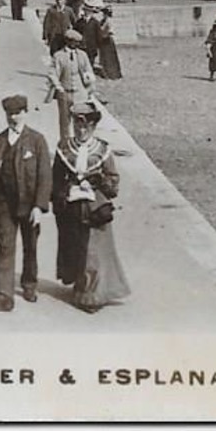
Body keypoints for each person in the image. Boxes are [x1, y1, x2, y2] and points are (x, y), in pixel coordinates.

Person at [51, 100, 131, 314]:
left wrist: (100, 182)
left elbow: (113, 182)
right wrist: (63, 193)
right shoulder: (64, 148)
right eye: (78, 126)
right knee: (77, 249)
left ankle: (92, 296)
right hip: (72, 208)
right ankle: (81, 286)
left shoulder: (103, 150)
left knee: (94, 252)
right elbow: (56, 179)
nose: (81, 130)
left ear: (93, 127)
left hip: (95, 208)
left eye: (86, 126)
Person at [0, 94, 51, 311]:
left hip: (29, 206)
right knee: (5, 247)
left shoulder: (37, 140)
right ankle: (5, 294)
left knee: (30, 247)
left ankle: (29, 284)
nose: (14, 117)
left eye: (18, 113)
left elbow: (45, 175)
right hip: (5, 204)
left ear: (25, 113)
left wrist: (39, 206)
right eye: (10, 113)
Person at [47, 29, 97, 142]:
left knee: (81, 121)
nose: (76, 45)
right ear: (68, 41)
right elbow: (52, 73)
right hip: (65, 94)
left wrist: (90, 87)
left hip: (80, 94)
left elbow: (89, 71)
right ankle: (65, 145)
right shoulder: (59, 56)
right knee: (65, 122)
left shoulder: (82, 55)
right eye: (74, 42)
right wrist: (58, 87)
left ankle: (80, 143)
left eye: (78, 42)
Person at [96, 8, 123, 80]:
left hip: (108, 40)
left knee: (109, 57)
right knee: (104, 57)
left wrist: (105, 34)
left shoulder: (109, 21)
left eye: (104, 14)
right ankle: (106, 72)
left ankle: (112, 73)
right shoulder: (103, 21)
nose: (103, 15)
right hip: (104, 40)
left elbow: (111, 31)